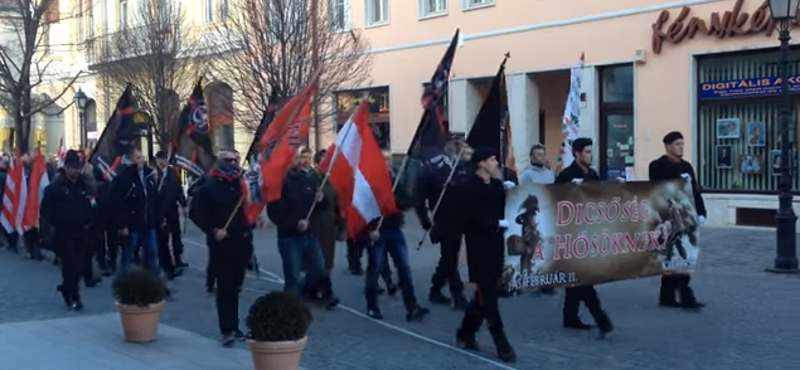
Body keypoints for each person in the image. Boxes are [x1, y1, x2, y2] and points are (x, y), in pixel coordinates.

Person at [455, 147, 516, 363]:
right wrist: (496, 223)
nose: (496, 163)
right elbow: (470, 218)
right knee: (488, 297)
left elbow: (511, 205)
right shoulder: (469, 187)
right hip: (479, 248)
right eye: (491, 160)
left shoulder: (497, 185)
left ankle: (465, 332)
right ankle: (502, 343)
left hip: (496, 247)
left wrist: (513, 191)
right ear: (481, 163)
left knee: (484, 296)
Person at [190, 149, 255, 346]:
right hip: (221, 245)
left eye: (235, 159)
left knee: (236, 287)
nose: (232, 163)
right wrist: (212, 230)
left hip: (242, 243)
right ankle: (226, 329)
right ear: (219, 162)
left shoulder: (241, 184)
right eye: (227, 160)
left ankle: (235, 326)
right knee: (225, 287)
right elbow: (195, 213)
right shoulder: (209, 185)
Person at [554, 137, 614, 337]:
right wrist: (570, 188)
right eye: (586, 152)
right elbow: (555, 201)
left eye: (591, 151)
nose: (590, 155)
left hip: (589, 232)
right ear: (577, 153)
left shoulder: (593, 174)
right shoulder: (566, 175)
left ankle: (569, 316)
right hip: (572, 235)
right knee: (583, 277)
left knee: (577, 278)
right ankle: (601, 318)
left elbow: (599, 198)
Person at [363, 150, 430, 321]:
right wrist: (370, 229)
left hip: (394, 230)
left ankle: (411, 306)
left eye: (388, 160)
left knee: (404, 268)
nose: (387, 163)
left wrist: (395, 200)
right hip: (377, 232)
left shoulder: (395, 179)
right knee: (375, 269)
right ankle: (372, 306)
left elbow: (407, 201)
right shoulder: (369, 183)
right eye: (383, 160)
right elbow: (362, 209)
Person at [648, 131, 706, 310]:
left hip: (687, 217)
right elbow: (658, 189)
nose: (681, 147)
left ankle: (666, 296)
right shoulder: (658, 165)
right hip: (669, 217)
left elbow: (695, 190)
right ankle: (686, 297)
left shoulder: (687, 166)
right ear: (667, 146)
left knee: (684, 255)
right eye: (677, 144)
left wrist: (701, 210)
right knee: (677, 255)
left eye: (682, 144)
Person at [415, 138, 471, 309]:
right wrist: (424, 219)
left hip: (459, 217)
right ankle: (457, 293)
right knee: (450, 256)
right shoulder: (433, 170)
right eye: (460, 148)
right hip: (444, 218)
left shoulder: (460, 167)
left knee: (449, 255)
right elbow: (419, 196)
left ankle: (436, 288)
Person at [266, 147, 327, 298]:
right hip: (289, 237)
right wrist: (295, 223)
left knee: (318, 269)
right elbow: (274, 212)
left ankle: (311, 293)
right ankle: (291, 304)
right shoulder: (279, 183)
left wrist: (321, 200)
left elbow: (319, 208)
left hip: (310, 235)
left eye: (305, 158)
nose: (303, 162)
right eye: (299, 158)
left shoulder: (309, 180)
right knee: (293, 273)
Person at [41, 150, 97, 310]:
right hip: (64, 232)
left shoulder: (84, 185)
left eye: (78, 168)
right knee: (69, 266)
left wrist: (94, 223)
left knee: (79, 267)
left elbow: (92, 205)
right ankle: (73, 295)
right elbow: (46, 212)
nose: (76, 171)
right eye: (73, 168)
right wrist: (46, 234)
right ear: (65, 167)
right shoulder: (55, 188)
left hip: (82, 231)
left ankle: (68, 289)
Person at [110, 148, 160, 276]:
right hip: (132, 224)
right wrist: (122, 225)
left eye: (142, 157)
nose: (142, 160)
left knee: (152, 253)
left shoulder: (149, 176)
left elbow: (153, 198)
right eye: (138, 158)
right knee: (128, 254)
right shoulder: (123, 179)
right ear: (131, 160)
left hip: (148, 222)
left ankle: (154, 283)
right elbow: (117, 203)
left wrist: (155, 217)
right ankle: (123, 282)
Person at [310, 149, 343, 307]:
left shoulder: (330, 180)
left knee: (328, 262)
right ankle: (324, 294)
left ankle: (319, 291)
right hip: (316, 225)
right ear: (317, 163)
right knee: (319, 261)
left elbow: (337, 204)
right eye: (324, 161)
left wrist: (341, 226)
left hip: (330, 225)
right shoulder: (312, 179)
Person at [154, 151, 188, 280]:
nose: (163, 162)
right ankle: (167, 267)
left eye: (165, 159)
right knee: (163, 240)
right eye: (160, 160)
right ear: (156, 160)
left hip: (172, 210)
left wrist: (183, 202)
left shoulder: (172, 172)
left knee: (176, 236)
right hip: (160, 211)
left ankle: (178, 259)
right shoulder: (154, 174)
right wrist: (158, 216)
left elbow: (178, 189)